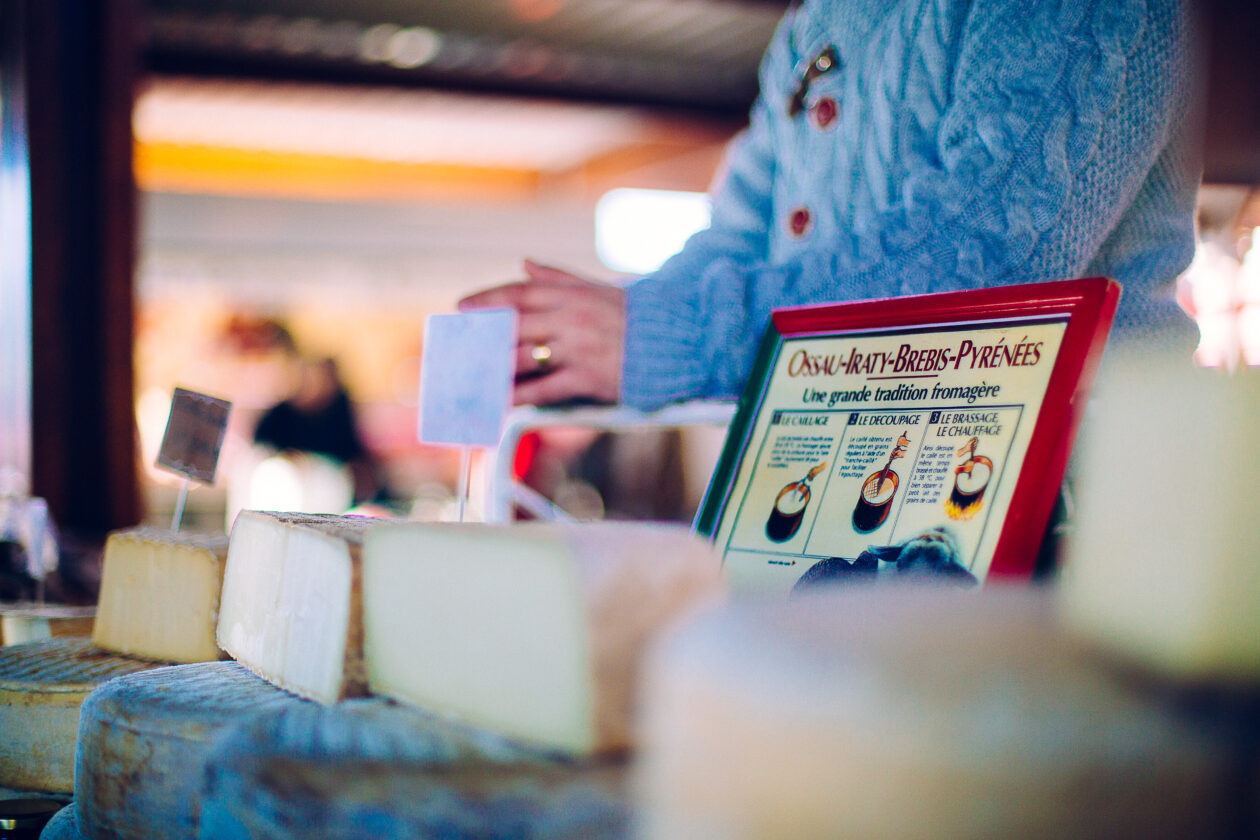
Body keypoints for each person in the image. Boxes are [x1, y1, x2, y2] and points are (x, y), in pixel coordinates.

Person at [461, 0, 1199, 410]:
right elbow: (737, 239)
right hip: (841, 494)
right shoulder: (812, 23)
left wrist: (666, 336)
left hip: (1068, 521)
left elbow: (985, 261)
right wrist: (584, 342)